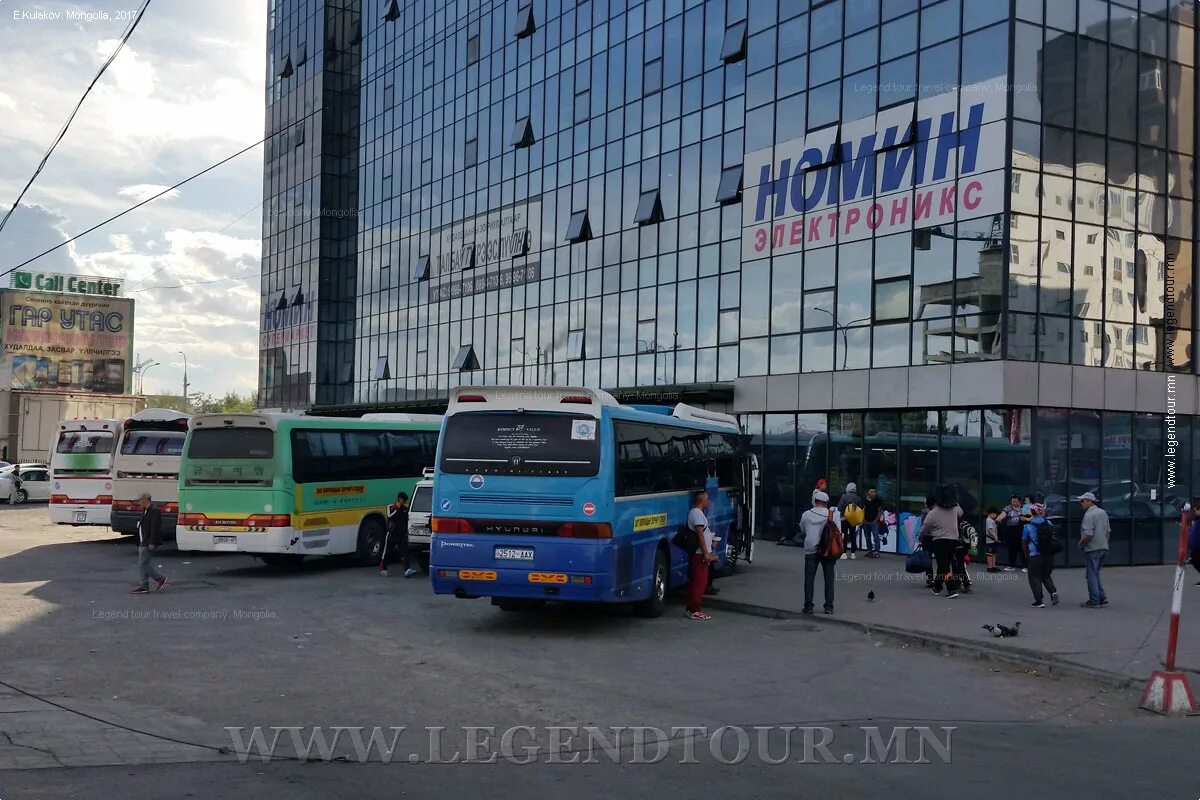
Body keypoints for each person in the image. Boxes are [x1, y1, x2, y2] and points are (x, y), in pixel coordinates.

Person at [799, 490, 841, 615]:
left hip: (810, 549)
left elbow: (802, 528)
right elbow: (838, 531)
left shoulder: (806, 514)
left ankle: (808, 606)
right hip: (827, 550)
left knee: (809, 578)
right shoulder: (832, 515)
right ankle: (828, 606)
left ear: (815, 501)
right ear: (826, 502)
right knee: (829, 579)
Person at [919, 486, 964, 598]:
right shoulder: (954, 509)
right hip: (953, 540)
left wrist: (920, 537)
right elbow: (961, 513)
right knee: (943, 564)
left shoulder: (933, 512)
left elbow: (925, 527)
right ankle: (937, 587)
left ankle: (951, 589)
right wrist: (956, 502)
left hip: (939, 541)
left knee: (943, 566)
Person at [685, 490, 717, 621]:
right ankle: (695, 610)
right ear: (701, 500)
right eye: (707, 499)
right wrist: (706, 553)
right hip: (700, 554)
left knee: (696, 582)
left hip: (700, 553)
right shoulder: (697, 514)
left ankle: (691, 608)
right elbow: (700, 534)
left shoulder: (697, 513)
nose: (708, 501)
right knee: (700, 583)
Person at [1022, 503, 1058, 608]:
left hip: (1035, 555)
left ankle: (1039, 601)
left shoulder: (1028, 526)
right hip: (1048, 554)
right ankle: (1053, 592)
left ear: (1031, 512)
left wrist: (1025, 552)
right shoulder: (1049, 524)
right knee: (1046, 575)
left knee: (1034, 577)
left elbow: (1024, 541)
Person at [1077, 492, 1110, 607]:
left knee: (1091, 574)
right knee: (1095, 573)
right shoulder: (1103, 512)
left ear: (1089, 501)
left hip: (1092, 548)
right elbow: (1107, 532)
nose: (1081, 503)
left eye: (1082, 501)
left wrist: (1081, 544)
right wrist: (1104, 543)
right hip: (1103, 547)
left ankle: (1094, 599)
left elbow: (1088, 534)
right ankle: (1101, 596)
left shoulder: (1089, 515)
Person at [131, 493, 167, 594]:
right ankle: (144, 586)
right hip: (143, 541)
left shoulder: (154, 511)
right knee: (142, 564)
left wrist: (152, 542)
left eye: (139, 501)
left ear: (145, 500)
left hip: (148, 542)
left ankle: (160, 579)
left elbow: (155, 528)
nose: (138, 503)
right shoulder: (145, 511)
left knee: (143, 564)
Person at [385, 491, 415, 577]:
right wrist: (397, 509)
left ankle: (407, 569)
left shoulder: (405, 509)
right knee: (387, 552)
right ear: (399, 499)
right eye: (403, 500)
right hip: (392, 534)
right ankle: (384, 569)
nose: (404, 502)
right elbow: (390, 517)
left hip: (402, 534)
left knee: (404, 552)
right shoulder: (391, 507)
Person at [838, 482, 863, 559]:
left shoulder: (844, 496)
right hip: (853, 519)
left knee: (844, 535)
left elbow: (839, 508)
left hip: (844, 518)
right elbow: (860, 509)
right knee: (853, 535)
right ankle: (853, 554)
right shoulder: (858, 498)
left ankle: (844, 553)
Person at [1001, 496, 1026, 572]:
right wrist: (998, 519)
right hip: (1011, 530)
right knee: (1012, 548)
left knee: (1022, 548)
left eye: (1015, 502)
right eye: (1012, 501)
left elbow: (1029, 517)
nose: (1013, 503)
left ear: (1019, 502)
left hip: (1021, 529)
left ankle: (1026, 566)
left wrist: (1024, 518)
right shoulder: (1008, 508)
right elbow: (1002, 515)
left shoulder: (1024, 508)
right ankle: (1011, 565)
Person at [862, 487, 884, 559]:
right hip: (866, 521)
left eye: (874, 492)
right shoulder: (865, 500)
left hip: (874, 521)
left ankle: (876, 551)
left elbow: (879, 511)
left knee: (876, 537)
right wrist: (863, 519)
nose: (873, 493)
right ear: (868, 492)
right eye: (871, 492)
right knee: (867, 537)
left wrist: (876, 520)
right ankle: (869, 551)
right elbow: (863, 510)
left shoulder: (878, 501)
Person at [984, 507, 1002, 572]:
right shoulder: (989, 520)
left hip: (993, 540)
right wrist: (995, 536)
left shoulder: (991, 521)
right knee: (990, 554)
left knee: (994, 554)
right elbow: (990, 530)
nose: (996, 516)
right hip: (990, 540)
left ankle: (993, 566)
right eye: (995, 514)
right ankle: (990, 567)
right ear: (991, 514)